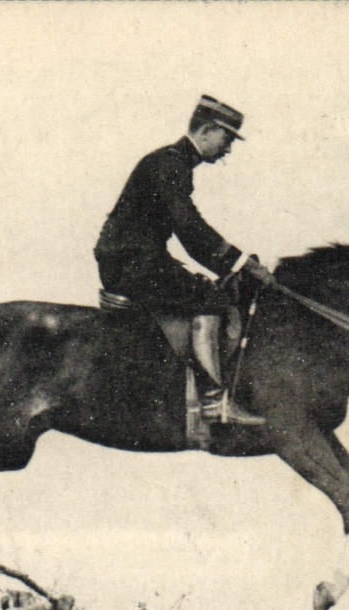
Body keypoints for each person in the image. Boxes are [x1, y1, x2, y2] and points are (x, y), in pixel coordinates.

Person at [95, 95, 275, 426]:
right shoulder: (170, 165)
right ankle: (214, 402)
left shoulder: (171, 162)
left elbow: (187, 233)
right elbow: (189, 228)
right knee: (213, 301)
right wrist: (241, 264)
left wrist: (234, 262)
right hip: (132, 262)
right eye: (226, 139)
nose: (228, 150)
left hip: (136, 258)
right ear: (207, 130)